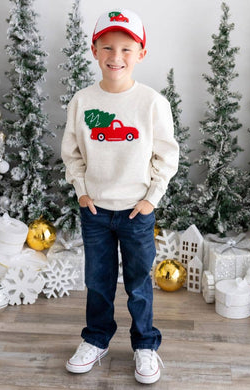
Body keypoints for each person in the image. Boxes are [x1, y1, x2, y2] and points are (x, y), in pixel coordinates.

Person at [61, 8, 179, 385]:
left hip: (136, 212)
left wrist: (151, 199)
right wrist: (81, 191)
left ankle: (146, 345)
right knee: (98, 281)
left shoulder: (151, 103)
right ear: (94, 50)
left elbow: (167, 155)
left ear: (141, 53)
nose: (116, 57)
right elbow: (72, 152)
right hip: (95, 209)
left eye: (126, 49)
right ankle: (96, 340)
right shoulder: (82, 101)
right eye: (108, 47)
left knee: (139, 285)